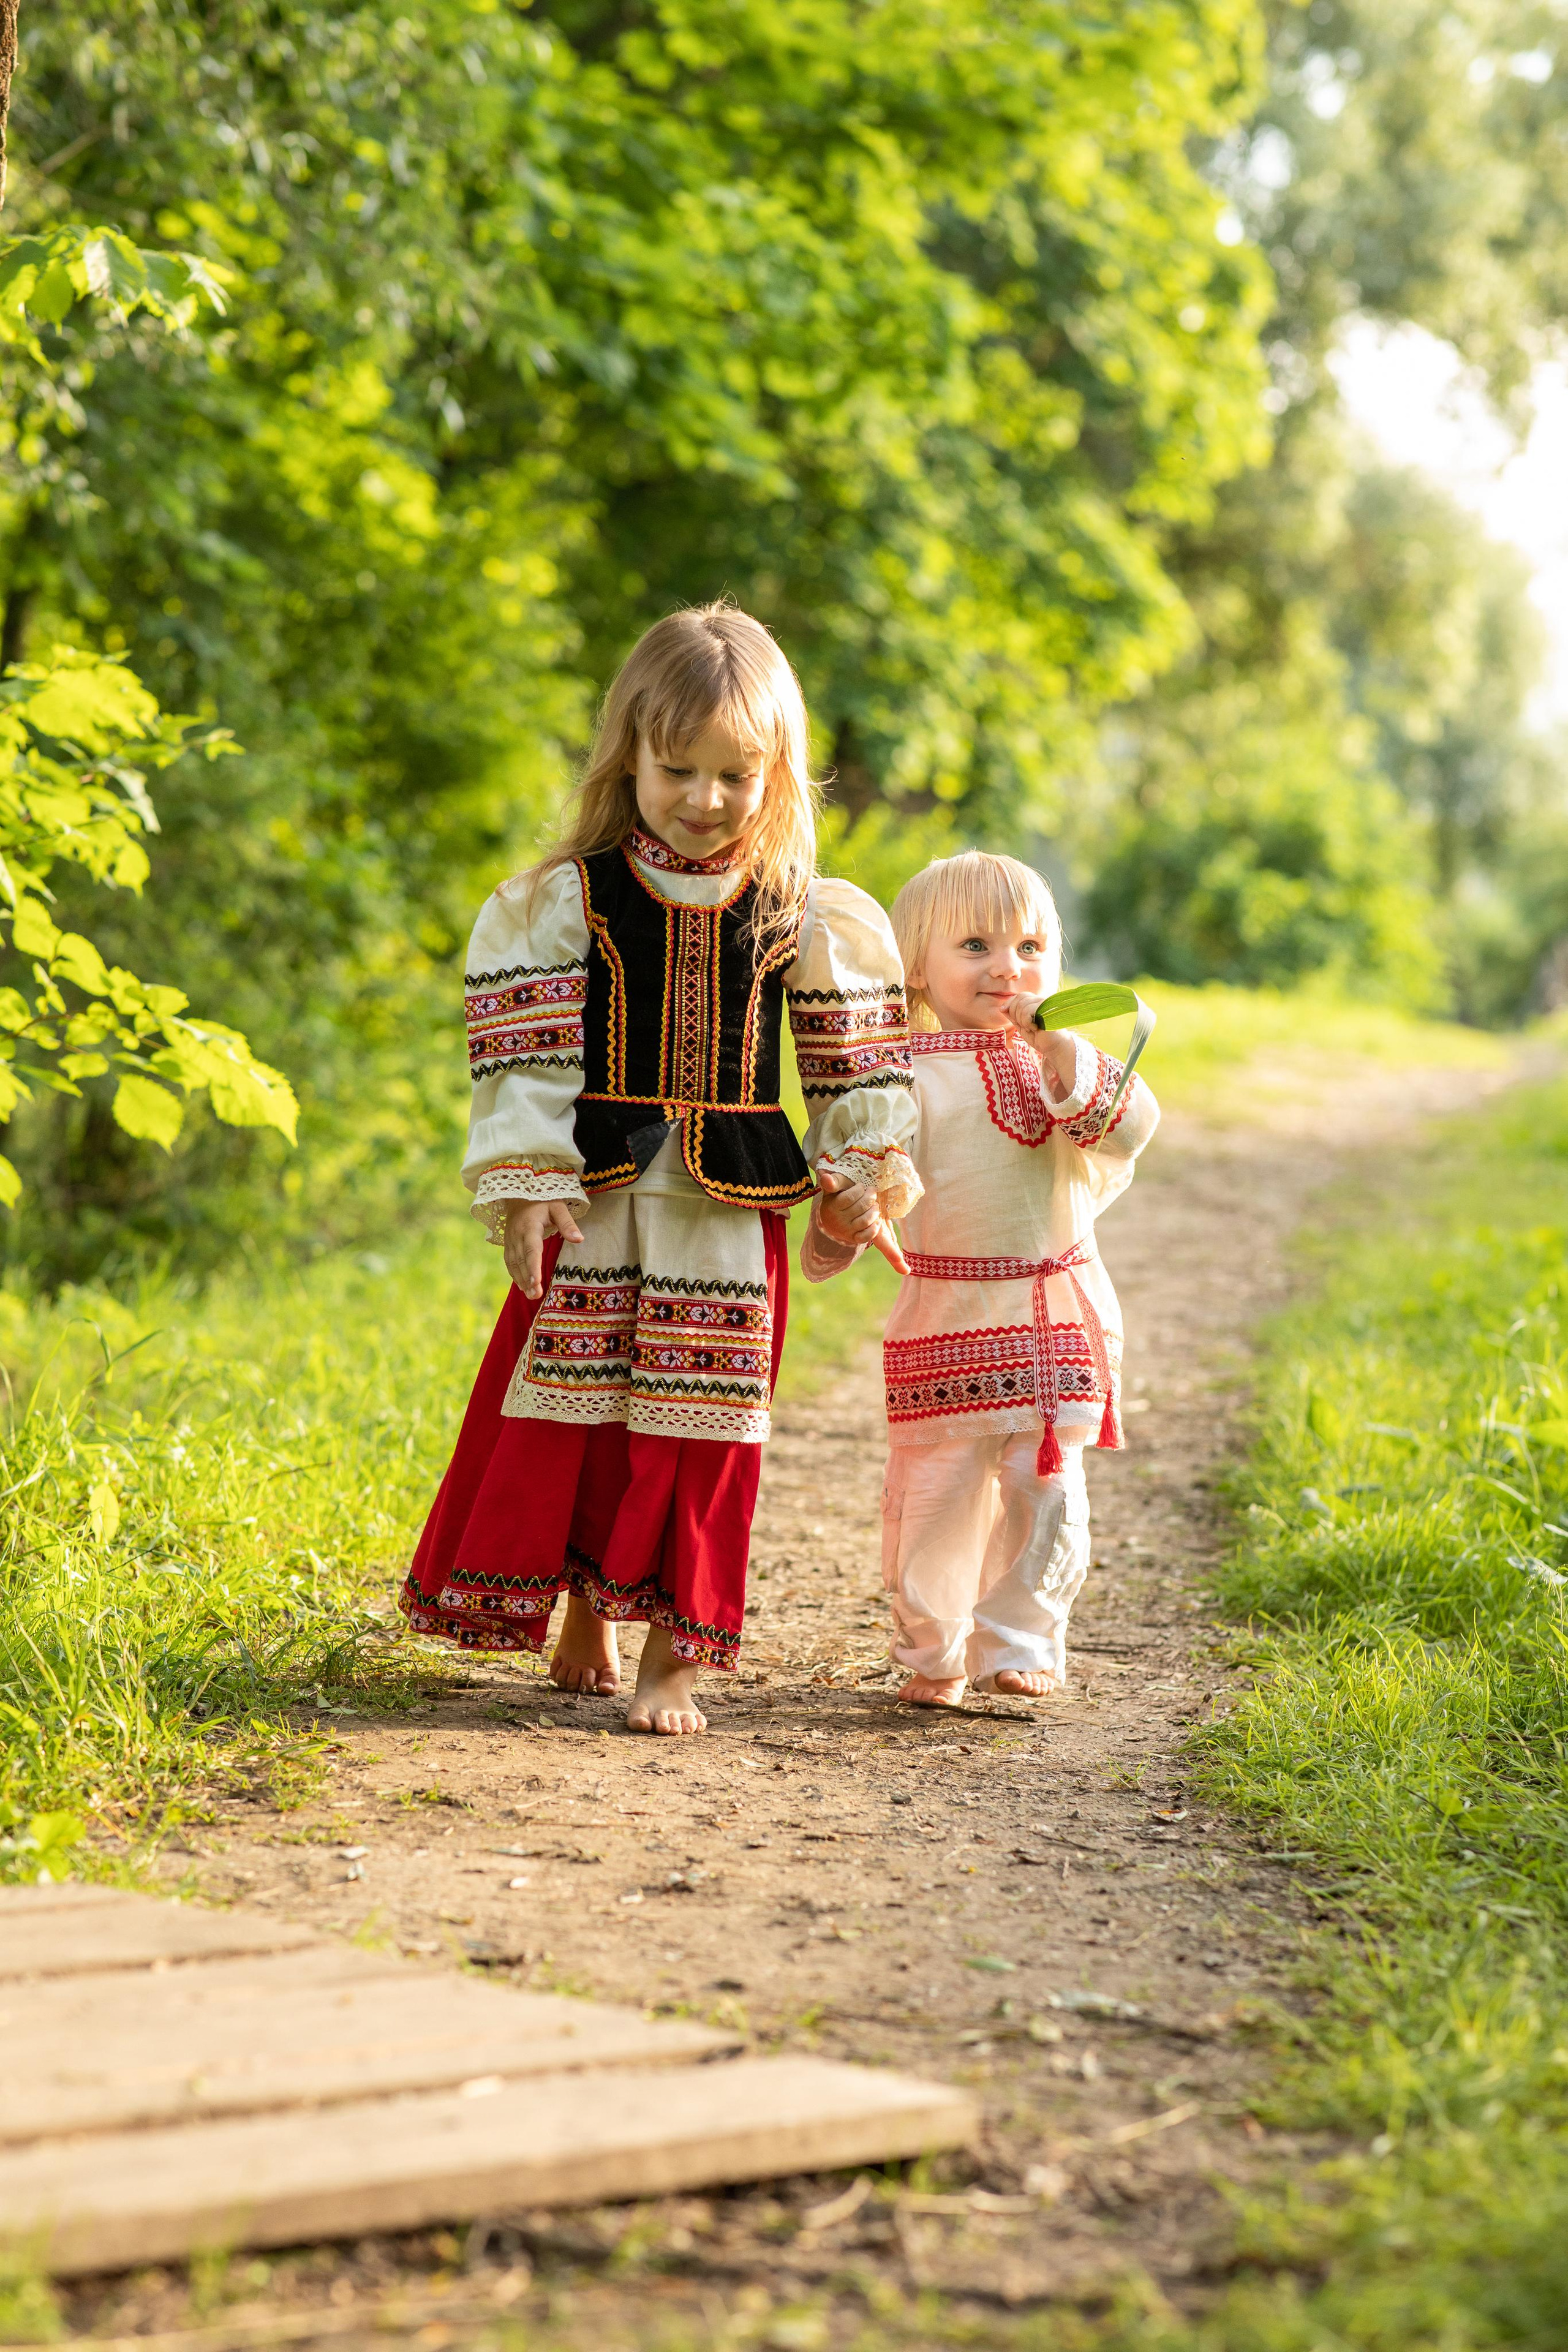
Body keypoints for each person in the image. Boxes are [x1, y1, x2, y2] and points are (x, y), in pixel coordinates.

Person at [399, 604, 919, 1735]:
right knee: (584, 1414)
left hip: (729, 1208)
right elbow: (530, 1058)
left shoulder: (802, 914)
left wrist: (857, 1175)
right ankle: (587, 1612)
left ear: (776, 773)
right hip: (597, 1199)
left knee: (704, 1426)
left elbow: (849, 1064)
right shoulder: (569, 899)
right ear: (627, 754)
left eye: (736, 774)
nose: (706, 798)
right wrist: (530, 1182)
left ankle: (674, 1653)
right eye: (678, 769)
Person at [804, 851, 1158, 1707]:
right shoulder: (899, 1078)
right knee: (938, 1490)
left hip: (1054, 1304)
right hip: (948, 1310)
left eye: (1031, 947)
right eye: (975, 945)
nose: (1008, 967)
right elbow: (862, 1178)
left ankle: (1020, 1641)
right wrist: (849, 1208)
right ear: (917, 969)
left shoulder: (1061, 1062)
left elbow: (1128, 1128)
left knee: (1046, 1485)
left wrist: (1061, 1049)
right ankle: (935, 1648)